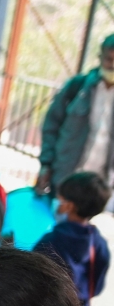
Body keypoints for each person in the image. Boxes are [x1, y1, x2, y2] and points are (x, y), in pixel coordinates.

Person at [37, 34, 114, 196]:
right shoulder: (77, 88)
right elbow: (51, 125)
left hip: (99, 184)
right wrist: (46, 163)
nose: (112, 66)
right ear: (100, 57)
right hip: (65, 176)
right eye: (109, 59)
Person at [34, 171, 111, 306]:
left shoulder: (52, 240)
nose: (57, 202)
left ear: (69, 206)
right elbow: (96, 286)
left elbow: (31, 276)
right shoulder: (98, 243)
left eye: (60, 199)